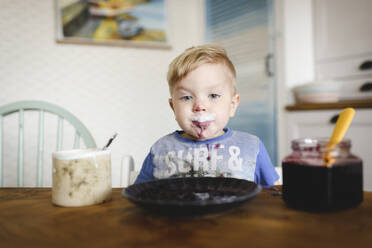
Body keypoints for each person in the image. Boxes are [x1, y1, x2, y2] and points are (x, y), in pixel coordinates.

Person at [135, 44, 279, 186]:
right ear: (173, 107)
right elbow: (139, 194)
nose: (200, 107)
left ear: (232, 105)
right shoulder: (161, 148)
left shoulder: (252, 147)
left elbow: (274, 196)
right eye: (186, 97)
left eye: (213, 95)